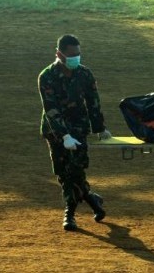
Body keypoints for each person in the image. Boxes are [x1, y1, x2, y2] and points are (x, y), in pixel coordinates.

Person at [38, 34, 112, 231]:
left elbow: (93, 102)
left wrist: (100, 128)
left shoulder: (84, 74)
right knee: (62, 172)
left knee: (75, 171)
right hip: (55, 130)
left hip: (78, 128)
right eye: (72, 55)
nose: (76, 58)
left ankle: (69, 214)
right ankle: (91, 199)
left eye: (78, 54)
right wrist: (64, 135)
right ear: (59, 54)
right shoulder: (46, 77)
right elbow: (51, 109)